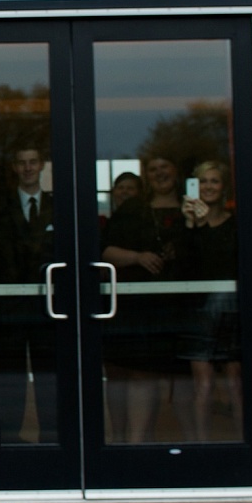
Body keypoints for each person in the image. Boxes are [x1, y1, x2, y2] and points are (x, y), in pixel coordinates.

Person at [100, 155, 188, 443]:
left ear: (176, 171)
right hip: (133, 303)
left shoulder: (192, 207)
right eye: (153, 169)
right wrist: (138, 257)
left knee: (154, 374)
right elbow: (105, 251)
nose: (160, 173)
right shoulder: (133, 209)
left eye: (165, 167)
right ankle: (122, 441)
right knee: (126, 372)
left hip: (176, 304)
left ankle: (140, 443)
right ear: (147, 176)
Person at [0, 145, 56, 442]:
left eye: (33, 161)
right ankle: (10, 439)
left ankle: (53, 438)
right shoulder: (0, 208)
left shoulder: (56, 205)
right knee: (10, 378)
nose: (27, 168)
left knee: (49, 377)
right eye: (22, 162)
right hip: (11, 306)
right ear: (14, 167)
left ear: (41, 166)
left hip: (47, 307)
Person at [179, 160, 242, 441]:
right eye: (202, 182)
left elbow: (226, 263)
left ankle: (245, 445)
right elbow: (185, 269)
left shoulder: (236, 224)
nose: (208, 187)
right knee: (202, 385)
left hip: (232, 311)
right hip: (198, 311)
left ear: (224, 187)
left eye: (214, 181)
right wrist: (192, 226)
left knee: (235, 384)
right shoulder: (187, 225)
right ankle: (203, 448)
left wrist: (205, 226)